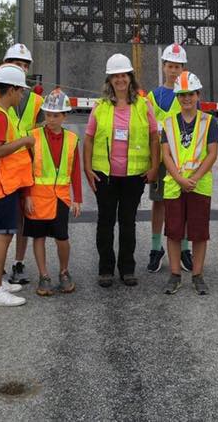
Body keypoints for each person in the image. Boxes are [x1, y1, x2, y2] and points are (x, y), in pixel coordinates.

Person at [84, 53, 159, 287]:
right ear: (109, 80)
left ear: (130, 78)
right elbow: (88, 139)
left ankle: (127, 269)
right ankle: (105, 269)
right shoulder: (100, 107)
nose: (120, 80)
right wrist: (87, 168)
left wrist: (155, 166)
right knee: (105, 222)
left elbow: (154, 138)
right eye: (115, 76)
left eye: (124, 75)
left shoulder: (143, 105)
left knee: (128, 222)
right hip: (105, 176)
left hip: (133, 176)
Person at [0, 64, 35, 307]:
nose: (22, 95)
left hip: (0, 183)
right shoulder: (0, 116)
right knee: (3, 235)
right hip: (1, 184)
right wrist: (24, 141)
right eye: (20, 90)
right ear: (10, 90)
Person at [160, 71, 218, 295]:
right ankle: (175, 275)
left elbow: (212, 153)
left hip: (199, 185)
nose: (186, 99)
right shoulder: (167, 123)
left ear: (198, 95)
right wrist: (180, 178)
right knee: (174, 232)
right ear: (177, 97)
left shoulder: (209, 122)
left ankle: (197, 275)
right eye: (182, 95)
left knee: (199, 232)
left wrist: (193, 178)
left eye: (190, 94)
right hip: (176, 185)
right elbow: (165, 154)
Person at [0, 43, 43, 285]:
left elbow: (41, 133)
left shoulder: (36, 101)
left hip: (24, 169)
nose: (20, 67)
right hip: (1, 174)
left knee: (20, 222)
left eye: (24, 65)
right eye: (15, 63)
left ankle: (16, 266)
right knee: (0, 227)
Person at [23, 89, 82, 296]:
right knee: (38, 237)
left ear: (65, 116)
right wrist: (27, 195)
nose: (51, 119)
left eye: (56, 115)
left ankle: (64, 272)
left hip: (61, 197)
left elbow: (75, 170)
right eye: (48, 114)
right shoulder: (34, 136)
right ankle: (44, 275)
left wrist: (78, 199)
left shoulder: (72, 139)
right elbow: (27, 168)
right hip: (37, 197)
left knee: (62, 238)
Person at [146, 43, 194, 274]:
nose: (173, 70)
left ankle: (184, 247)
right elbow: (148, 130)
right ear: (164, 67)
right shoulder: (152, 97)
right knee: (159, 204)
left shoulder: (189, 95)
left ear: (183, 68)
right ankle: (156, 248)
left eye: (178, 66)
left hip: (183, 160)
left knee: (182, 205)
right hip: (161, 160)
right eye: (170, 66)